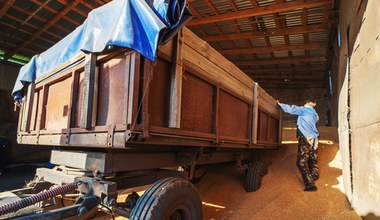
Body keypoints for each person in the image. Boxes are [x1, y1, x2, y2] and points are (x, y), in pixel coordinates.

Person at [277, 99, 319, 191]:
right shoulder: (315, 114)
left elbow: (291, 109)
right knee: (312, 158)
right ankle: (314, 176)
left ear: (306, 103)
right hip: (315, 138)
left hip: (305, 137)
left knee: (301, 161)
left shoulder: (304, 109)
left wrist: (280, 104)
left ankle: (310, 184)